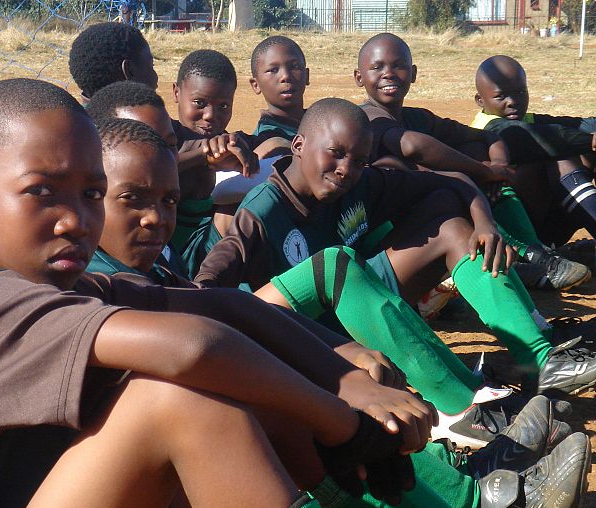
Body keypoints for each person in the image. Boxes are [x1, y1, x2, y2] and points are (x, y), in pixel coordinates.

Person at [86, 116, 591, 508]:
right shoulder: (85, 287)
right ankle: (473, 480)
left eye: (168, 200)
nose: (156, 217)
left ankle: (477, 475)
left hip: (204, 418)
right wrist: (332, 380)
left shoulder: (145, 270)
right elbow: (213, 299)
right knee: (288, 399)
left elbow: (209, 308)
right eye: (132, 198)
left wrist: (334, 359)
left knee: (323, 322)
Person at [197, 98, 596, 406]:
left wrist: (487, 225)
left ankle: (538, 359)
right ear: (299, 145)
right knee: (341, 266)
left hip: (360, 300)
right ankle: (462, 404)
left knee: (452, 227)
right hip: (312, 335)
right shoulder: (263, 211)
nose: (345, 168)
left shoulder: (358, 183)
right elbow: (212, 275)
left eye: (358, 160)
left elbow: (453, 181)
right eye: (335, 153)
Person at [355, 33, 589, 293]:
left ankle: (531, 252)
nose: (388, 74)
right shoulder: (366, 118)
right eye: (377, 67)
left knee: (475, 151)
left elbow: (486, 136)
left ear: (413, 73)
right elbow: (413, 146)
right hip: (400, 232)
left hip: (440, 210)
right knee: (451, 180)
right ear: (358, 77)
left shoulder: (417, 117)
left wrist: (495, 166)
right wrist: (483, 171)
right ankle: (523, 256)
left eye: (398, 65)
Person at [472, 54, 596, 250]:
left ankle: (554, 248)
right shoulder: (487, 129)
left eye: (521, 92)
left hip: (543, 223)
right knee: (559, 155)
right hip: (510, 233)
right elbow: (539, 138)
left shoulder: (527, 119)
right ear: (480, 100)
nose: (513, 101)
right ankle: (537, 254)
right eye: (501, 96)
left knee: (587, 154)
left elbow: (581, 124)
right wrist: (590, 140)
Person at [169, 49, 258, 277]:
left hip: (209, 255)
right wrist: (202, 156)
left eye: (223, 106)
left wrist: (247, 163)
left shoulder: (232, 144)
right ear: (176, 93)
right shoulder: (166, 138)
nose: (210, 115)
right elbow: (148, 172)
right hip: (162, 251)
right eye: (199, 102)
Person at [248, 35, 308, 157]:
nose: (286, 76)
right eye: (273, 70)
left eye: (294, 67)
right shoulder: (268, 144)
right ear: (256, 85)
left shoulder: (319, 121)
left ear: (307, 76)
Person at [68, 21, 158, 102]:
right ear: (130, 72)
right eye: (151, 66)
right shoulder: (156, 119)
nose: (156, 76)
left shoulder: (75, 118)